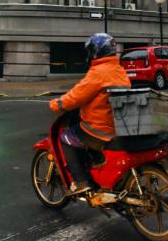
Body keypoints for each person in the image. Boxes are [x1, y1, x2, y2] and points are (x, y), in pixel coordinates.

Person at [48, 33, 131, 196]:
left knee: (66, 139)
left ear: (95, 52)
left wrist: (57, 104)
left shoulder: (98, 73)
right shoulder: (119, 70)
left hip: (99, 128)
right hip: (118, 125)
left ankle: (81, 181)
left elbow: (77, 96)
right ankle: (95, 160)